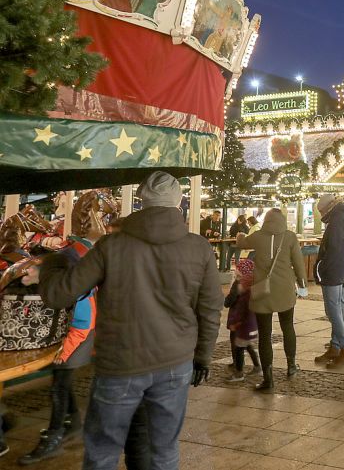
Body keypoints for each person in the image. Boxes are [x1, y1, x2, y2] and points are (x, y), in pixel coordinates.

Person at [32, 171, 222, 470]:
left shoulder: (111, 246)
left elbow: (59, 294)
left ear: (141, 202)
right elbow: (210, 308)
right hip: (175, 362)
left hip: (121, 364)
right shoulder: (198, 248)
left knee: (103, 453)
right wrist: (204, 357)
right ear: (179, 202)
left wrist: (53, 262)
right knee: (164, 449)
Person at [19, 236, 101, 464]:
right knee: (61, 378)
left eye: (30, 270)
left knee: (59, 383)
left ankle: (54, 436)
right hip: (74, 333)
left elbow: (83, 323)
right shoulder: (60, 276)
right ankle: (73, 421)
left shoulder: (72, 285)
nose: (26, 275)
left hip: (80, 336)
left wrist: (64, 351)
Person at [235, 207, 306, 391]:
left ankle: (268, 380)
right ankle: (291, 367)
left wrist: (240, 236)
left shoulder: (258, 236)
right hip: (284, 290)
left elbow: (241, 244)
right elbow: (298, 262)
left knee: (265, 335)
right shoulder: (290, 237)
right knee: (287, 327)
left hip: (263, 291)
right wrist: (303, 284)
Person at [313, 194, 344, 368]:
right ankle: (335, 347)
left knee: (333, 311)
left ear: (327, 207)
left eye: (321, 210)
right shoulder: (341, 217)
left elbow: (333, 250)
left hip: (333, 271)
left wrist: (321, 267)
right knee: (337, 308)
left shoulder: (337, 221)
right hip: (339, 269)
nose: (321, 214)